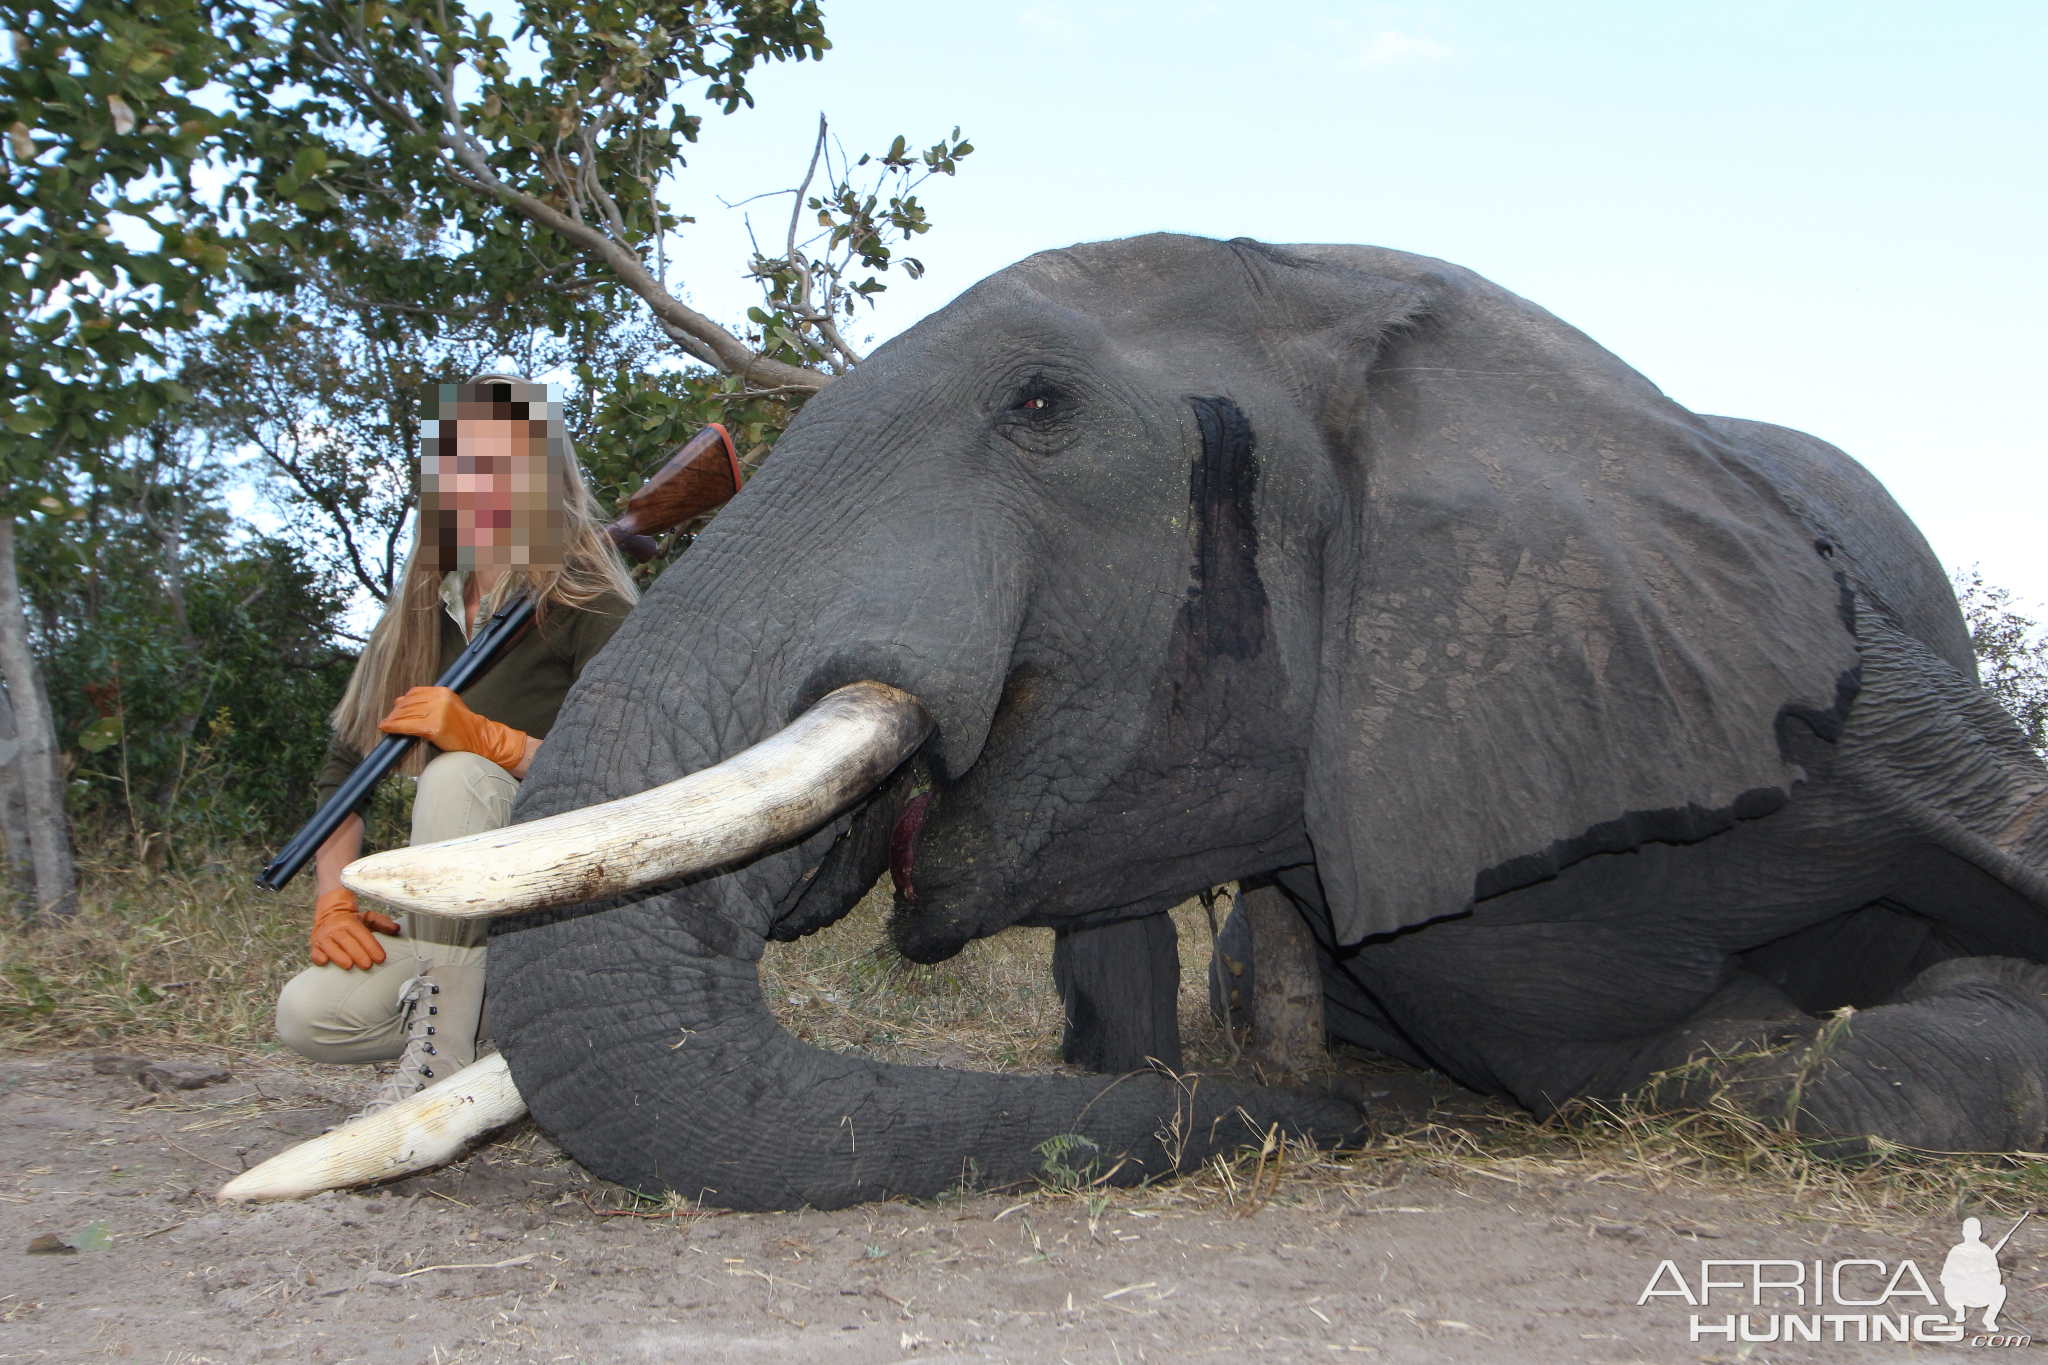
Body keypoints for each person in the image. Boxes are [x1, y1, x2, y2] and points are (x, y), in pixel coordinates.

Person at [274, 375, 636, 1114]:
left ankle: (437, 1070)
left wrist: (491, 741)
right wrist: (335, 898)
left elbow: (632, 772)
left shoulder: (587, 597)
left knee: (457, 776)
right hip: (460, 934)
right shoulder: (421, 612)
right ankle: (504, 1037)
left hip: (568, 909)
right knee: (306, 1011)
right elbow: (346, 772)